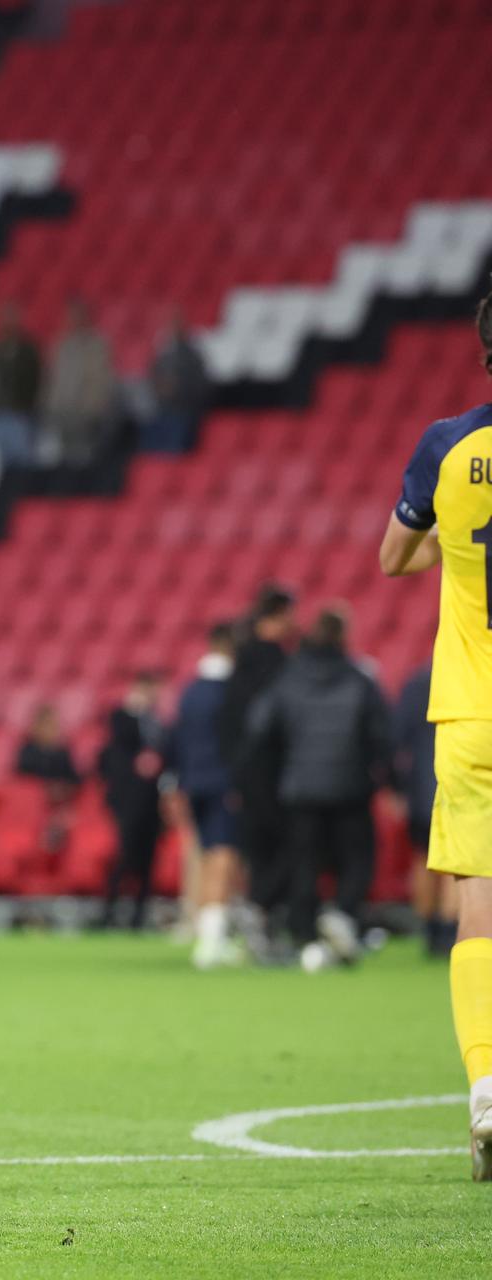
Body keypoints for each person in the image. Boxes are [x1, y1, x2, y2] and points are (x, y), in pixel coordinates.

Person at [380, 294, 492, 1176]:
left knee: (480, 910)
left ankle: (488, 1088)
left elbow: (392, 557)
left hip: (472, 713)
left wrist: (454, 551)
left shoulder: (446, 445)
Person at [246, 608, 391, 963]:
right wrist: (381, 775)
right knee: (356, 859)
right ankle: (342, 915)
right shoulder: (359, 679)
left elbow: (259, 728)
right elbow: (380, 734)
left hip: (300, 787)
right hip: (350, 785)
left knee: (304, 863)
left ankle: (305, 934)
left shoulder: (288, 677)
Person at [218, 583, 297, 955]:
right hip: (272, 771)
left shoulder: (241, 661)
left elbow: (229, 722)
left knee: (259, 849)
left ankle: (259, 914)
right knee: (284, 846)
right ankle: (261, 910)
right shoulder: (275, 662)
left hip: (247, 772)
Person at [167, 623, 242, 968]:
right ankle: (210, 940)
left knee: (206, 854)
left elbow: (175, 743)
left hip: (193, 783)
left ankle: (210, 932)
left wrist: (174, 786)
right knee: (222, 859)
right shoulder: (230, 691)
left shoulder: (189, 692)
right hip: (223, 784)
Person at [395, 664, 455, 957]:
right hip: (460, 782)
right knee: (457, 864)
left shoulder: (417, 684)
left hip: (421, 787)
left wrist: (399, 787)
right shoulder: (473, 676)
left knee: (424, 858)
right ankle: (448, 927)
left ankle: (427, 927)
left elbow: (397, 737)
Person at [98, 670, 166, 929]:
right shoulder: (122, 717)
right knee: (125, 854)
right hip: (127, 799)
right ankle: (111, 910)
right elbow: (120, 743)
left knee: (148, 857)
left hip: (150, 799)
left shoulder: (157, 722)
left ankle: (139, 913)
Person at [41, 296, 121, 465]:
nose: (72, 320)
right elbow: (54, 379)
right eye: (70, 316)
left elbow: (100, 381)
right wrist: (51, 407)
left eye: (76, 315)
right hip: (62, 414)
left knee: (83, 460)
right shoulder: (63, 345)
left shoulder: (97, 345)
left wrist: (91, 410)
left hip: (86, 416)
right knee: (65, 461)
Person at [0, 303, 42, 466]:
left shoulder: (27, 349)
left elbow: (35, 378)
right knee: (4, 462)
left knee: (23, 460)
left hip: (21, 412)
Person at [14, 702, 79, 856]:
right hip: (33, 805)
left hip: (58, 803)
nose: (50, 728)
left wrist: (63, 788)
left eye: (53, 724)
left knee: (65, 817)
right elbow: (23, 778)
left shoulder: (62, 751)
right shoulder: (27, 751)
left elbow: (74, 778)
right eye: (46, 724)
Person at [141, 308, 210, 453]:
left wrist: (176, 389)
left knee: (173, 451)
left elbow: (199, 385)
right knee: (150, 451)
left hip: (182, 411)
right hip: (161, 410)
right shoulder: (162, 353)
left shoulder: (193, 355)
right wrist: (160, 388)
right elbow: (153, 377)